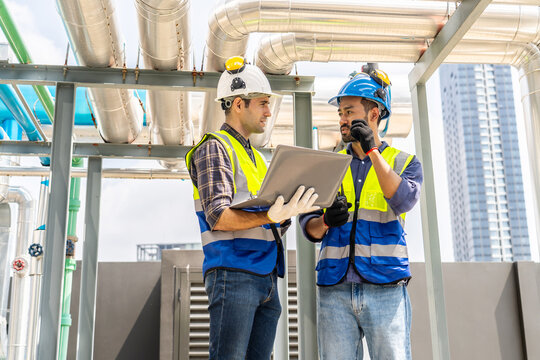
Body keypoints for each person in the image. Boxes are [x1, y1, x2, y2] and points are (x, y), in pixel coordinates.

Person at [186, 56, 319, 360]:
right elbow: (218, 216)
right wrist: (269, 215)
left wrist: (289, 211)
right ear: (237, 104)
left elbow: (265, 221)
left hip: (266, 278)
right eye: (262, 103)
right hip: (233, 275)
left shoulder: (259, 159)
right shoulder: (214, 148)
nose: (268, 111)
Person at [299, 65, 423, 360]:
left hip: (386, 289)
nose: (342, 119)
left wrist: (372, 152)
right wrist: (326, 221)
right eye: (340, 112)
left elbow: (403, 200)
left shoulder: (405, 162)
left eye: (349, 111)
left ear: (374, 114)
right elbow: (309, 229)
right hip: (335, 290)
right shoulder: (327, 165)